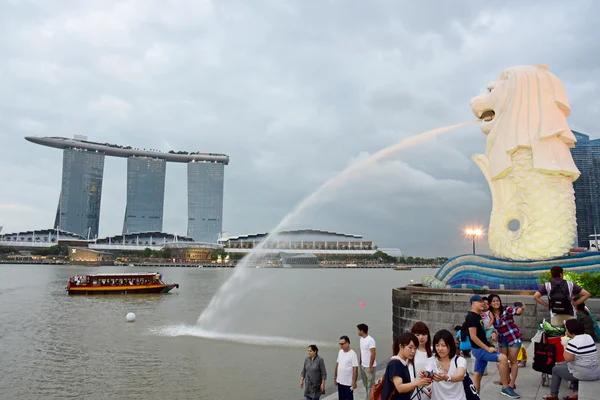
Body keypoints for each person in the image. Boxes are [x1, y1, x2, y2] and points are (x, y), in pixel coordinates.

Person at [464, 294, 519, 398]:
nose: (483, 304)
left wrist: (490, 339)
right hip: (479, 349)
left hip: (481, 348)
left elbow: (480, 334)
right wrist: (487, 348)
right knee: (503, 358)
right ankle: (505, 387)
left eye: (484, 302)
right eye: (480, 302)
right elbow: (473, 336)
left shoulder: (477, 316)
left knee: (478, 375)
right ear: (473, 304)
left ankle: (474, 397)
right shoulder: (471, 317)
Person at [542, 319, 600, 400]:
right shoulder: (588, 337)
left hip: (584, 374)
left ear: (570, 331)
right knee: (572, 366)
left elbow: (567, 358)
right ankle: (575, 392)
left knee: (556, 369)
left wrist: (565, 345)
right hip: (595, 371)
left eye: (566, 329)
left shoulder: (574, 342)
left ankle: (553, 395)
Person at [488, 294, 524, 389]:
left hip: (513, 337)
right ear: (490, 303)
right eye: (493, 301)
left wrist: (521, 308)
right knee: (502, 360)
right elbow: (493, 328)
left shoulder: (506, 309)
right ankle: (505, 379)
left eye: (497, 300)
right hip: (502, 339)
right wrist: (493, 334)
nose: (496, 302)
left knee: (513, 360)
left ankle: (512, 382)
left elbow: (516, 311)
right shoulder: (490, 314)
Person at [381, 332, 432, 400]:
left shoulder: (403, 363)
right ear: (401, 346)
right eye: (410, 347)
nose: (413, 351)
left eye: (415, 348)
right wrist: (417, 383)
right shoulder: (395, 363)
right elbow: (400, 388)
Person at [423, 329, 467, 400]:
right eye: (437, 345)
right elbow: (428, 372)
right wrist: (424, 375)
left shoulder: (459, 360)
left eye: (443, 345)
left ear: (450, 346)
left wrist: (446, 378)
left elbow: (460, 375)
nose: (440, 349)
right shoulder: (431, 360)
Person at [411, 322, 433, 399]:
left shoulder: (433, 351)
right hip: (415, 391)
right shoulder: (410, 352)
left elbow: (439, 370)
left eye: (423, 334)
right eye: (417, 335)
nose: (421, 337)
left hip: (431, 391)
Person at [334, 335, 359, 400]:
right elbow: (337, 364)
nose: (341, 346)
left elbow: (355, 369)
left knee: (349, 398)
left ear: (347, 343)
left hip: (348, 382)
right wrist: (335, 377)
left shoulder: (352, 354)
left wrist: (354, 382)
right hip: (340, 381)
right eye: (340, 344)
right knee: (341, 398)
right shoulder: (340, 352)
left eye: (342, 344)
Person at [357, 323, 377, 400]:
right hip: (363, 366)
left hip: (369, 366)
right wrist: (360, 362)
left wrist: (371, 366)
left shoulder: (370, 340)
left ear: (362, 331)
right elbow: (362, 351)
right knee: (365, 384)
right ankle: (368, 397)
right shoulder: (361, 339)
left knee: (371, 385)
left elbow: (373, 353)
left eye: (358, 330)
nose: (357, 332)